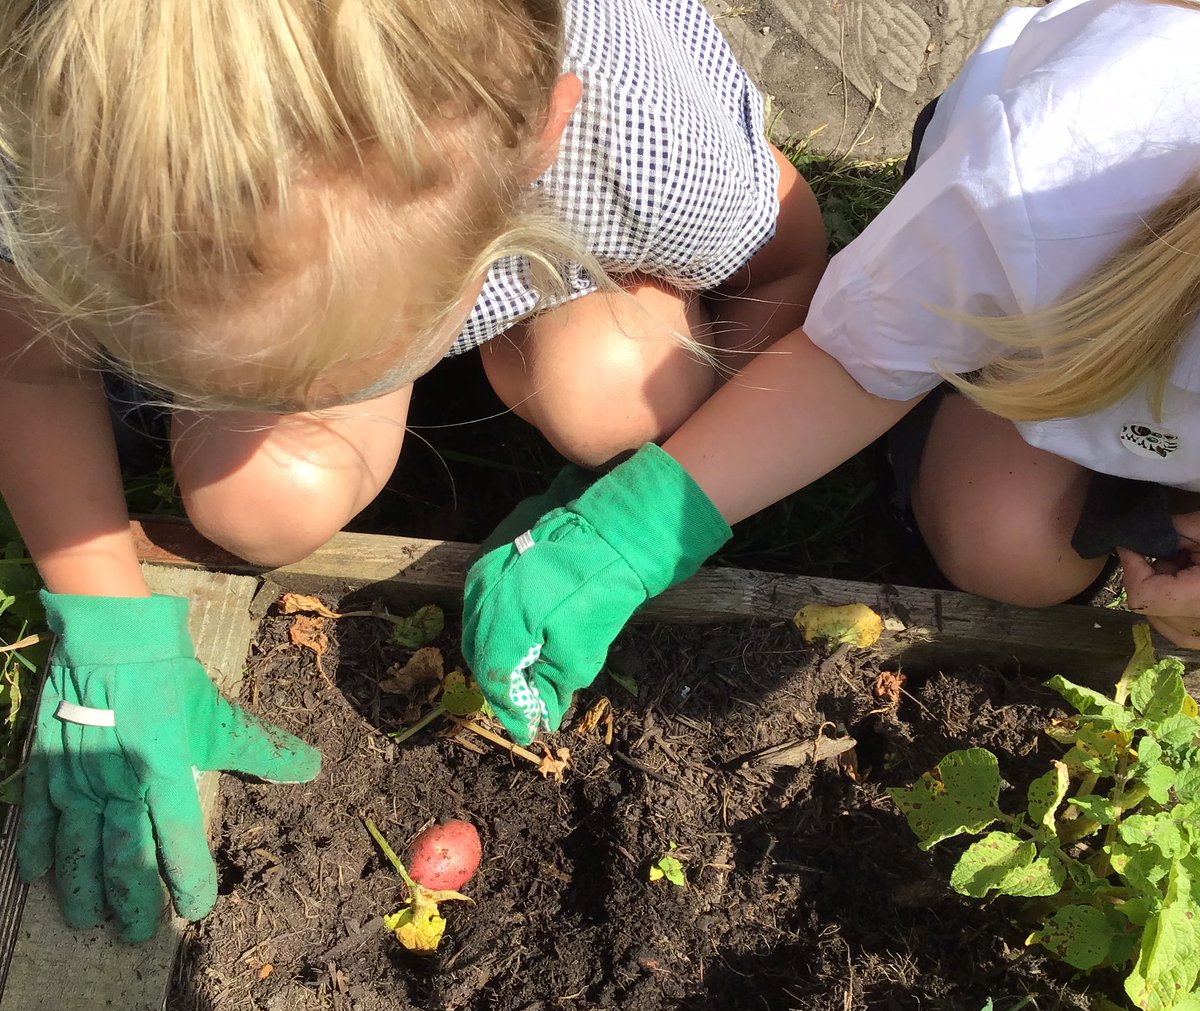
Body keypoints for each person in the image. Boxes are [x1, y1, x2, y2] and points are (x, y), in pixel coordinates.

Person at [0, 0, 826, 940]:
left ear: (541, 139)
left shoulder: (648, 152)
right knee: (257, 501)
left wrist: (650, 502)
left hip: (577, 255)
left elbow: (790, 270)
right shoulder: (68, 145)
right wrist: (106, 619)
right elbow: (28, 362)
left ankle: (523, 364)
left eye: (333, 371)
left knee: (625, 394)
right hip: (431, 236)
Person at [465, 0, 1200, 746]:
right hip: (1011, 300)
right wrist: (626, 536)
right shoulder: (1064, 177)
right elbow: (859, 364)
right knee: (1011, 545)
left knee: (1022, 553)